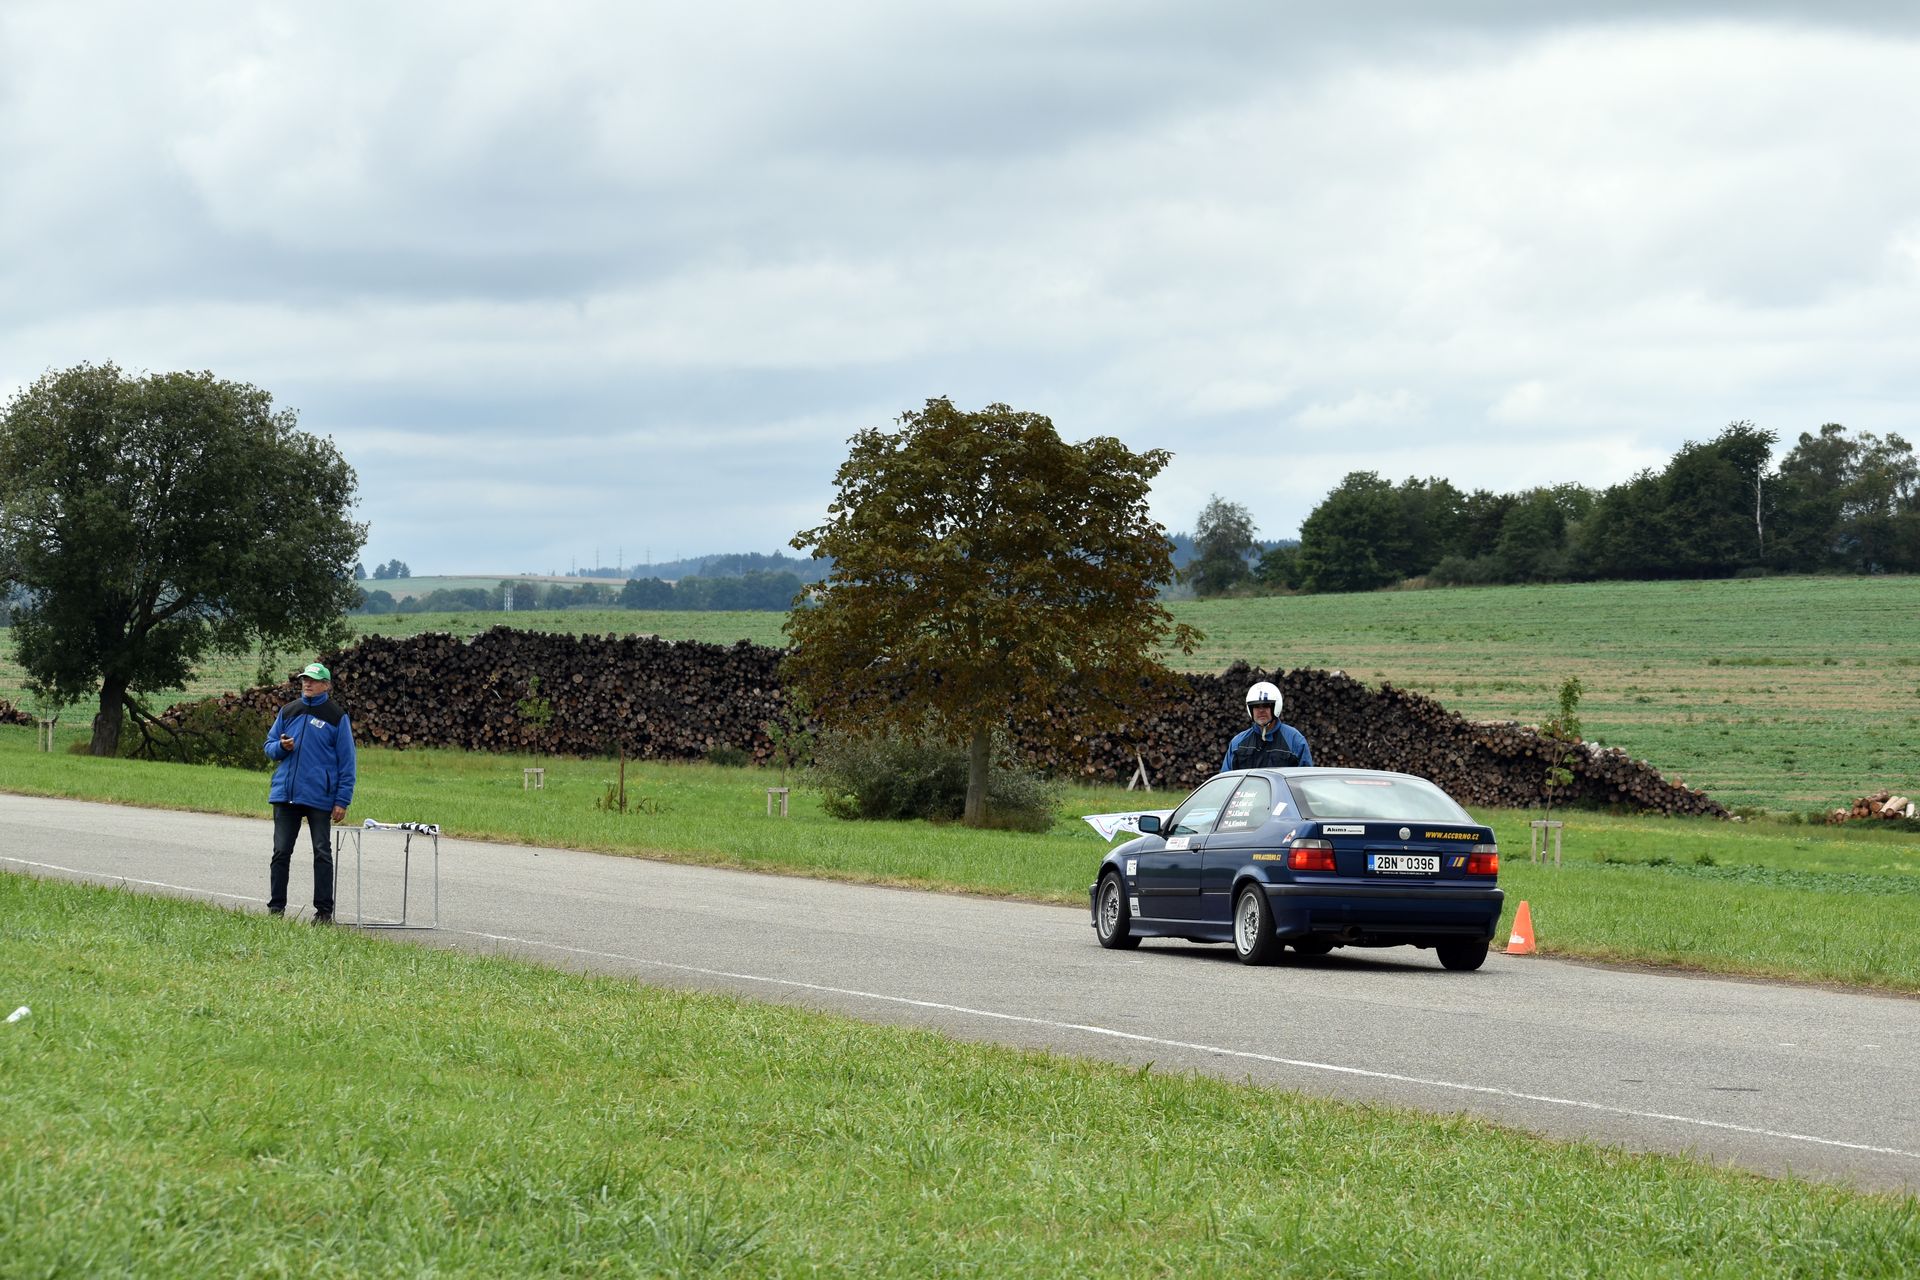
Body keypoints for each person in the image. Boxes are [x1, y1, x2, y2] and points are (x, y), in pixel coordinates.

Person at [263, 661, 356, 923]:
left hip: (319, 796)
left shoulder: (336, 716)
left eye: (313, 680)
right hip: (286, 794)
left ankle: (324, 912)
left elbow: (347, 762)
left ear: (326, 685)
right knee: (281, 852)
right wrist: (281, 747)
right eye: (305, 679)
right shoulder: (289, 711)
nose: (307, 683)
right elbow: (269, 746)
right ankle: (276, 909)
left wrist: (342, 800)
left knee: (322, 853)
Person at [1222, 680, 1312, 772]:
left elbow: (1306, 776)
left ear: (1275, 707)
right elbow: (1226, 776)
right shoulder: (1238, 743)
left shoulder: (1294, 740)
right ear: (1250, 709)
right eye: (1256, 706)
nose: (1261, 710)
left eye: (1266, 705)